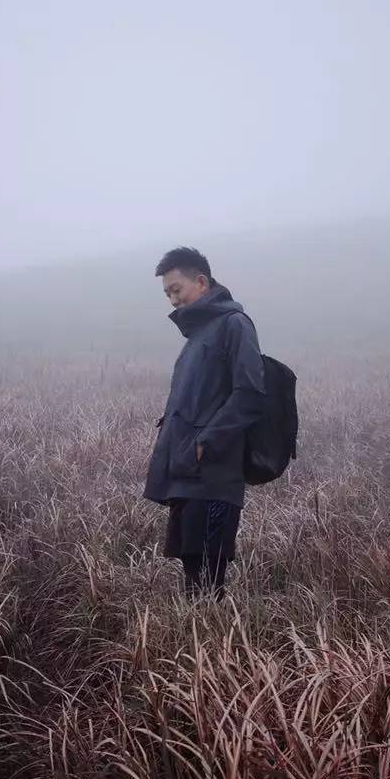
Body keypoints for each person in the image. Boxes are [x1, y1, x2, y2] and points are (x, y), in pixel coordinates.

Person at [143, 247, 266, 599]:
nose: (172, 299)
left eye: (176, 289)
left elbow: (250, 394)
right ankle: (196, 646)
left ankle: (216, 651)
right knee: (192, 572)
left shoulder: (234, 325)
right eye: (167, 293)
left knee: (210, 580)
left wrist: (203, 445)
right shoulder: (199, 335)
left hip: (212, 473)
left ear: (201, 281)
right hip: (187, 472)